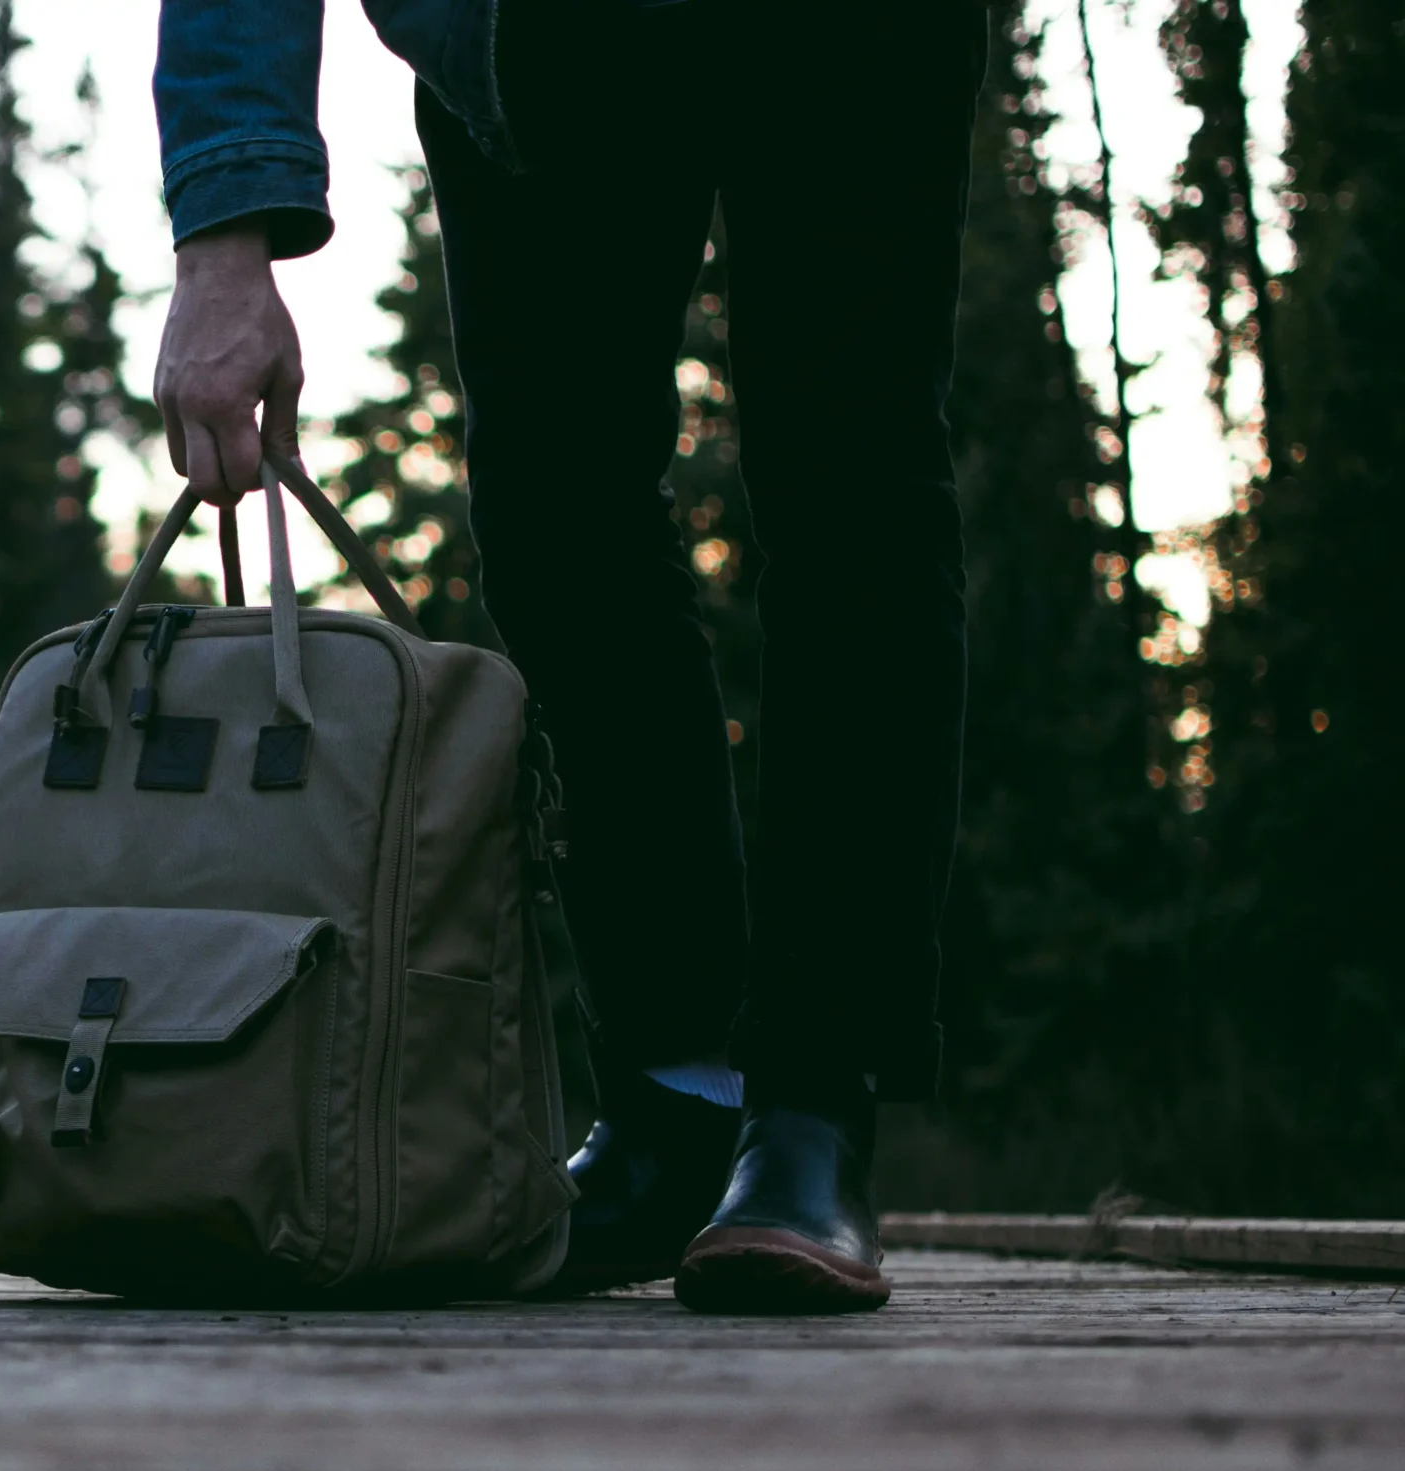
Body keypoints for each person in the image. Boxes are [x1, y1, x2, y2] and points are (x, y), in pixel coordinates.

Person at [151, 0, 990, 1313]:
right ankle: (677, 1097)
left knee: (853, 487)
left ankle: (812, 1110)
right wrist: (223, 234)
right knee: (555, 519)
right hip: (534, 39)